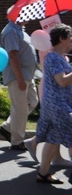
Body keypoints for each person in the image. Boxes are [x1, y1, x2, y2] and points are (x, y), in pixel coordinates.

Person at [33, 24, 72, 185]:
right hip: (58, 105)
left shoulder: (60, 57)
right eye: (70, 37)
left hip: (57, 104)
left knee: (53, 138)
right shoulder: (53, 57)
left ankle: (42, 174)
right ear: (62, 38)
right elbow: (61, 81)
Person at [0, 18, 38, 151]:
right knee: (20, 108)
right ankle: (17, 141)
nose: (28, 17)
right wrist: (19, 78)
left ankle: (8, 127)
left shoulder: (20, 30)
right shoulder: (10, 32)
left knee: (32, 101)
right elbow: (12, 55)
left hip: (27, 75)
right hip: (17, 76)